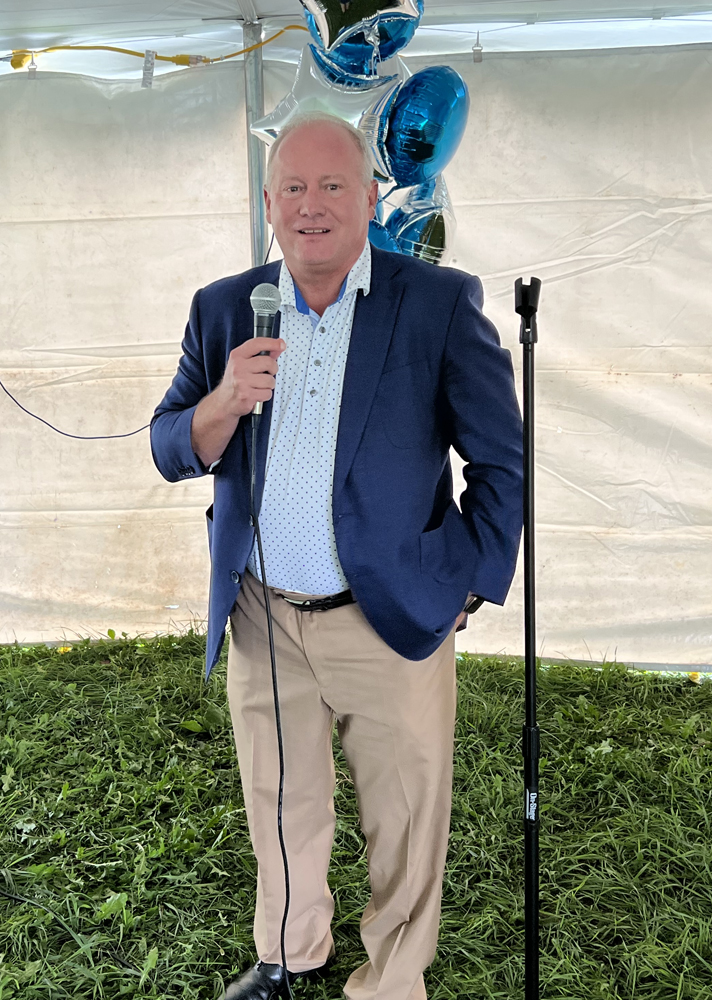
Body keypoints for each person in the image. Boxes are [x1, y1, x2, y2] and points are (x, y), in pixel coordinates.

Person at [150, 112, 523, 1000]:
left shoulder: (434, 302)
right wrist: (223, 404)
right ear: (269, 203)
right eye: (292, 188)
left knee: (402, 814)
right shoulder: (226, 306)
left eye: (330, 187)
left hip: (385, 613)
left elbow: (501, 458)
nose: (310, 207)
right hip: (262, 613)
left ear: (367, 197)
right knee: (280, 802)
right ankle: (288, 953)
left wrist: (464, 574)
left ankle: (392, 979)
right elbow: (170, 444)